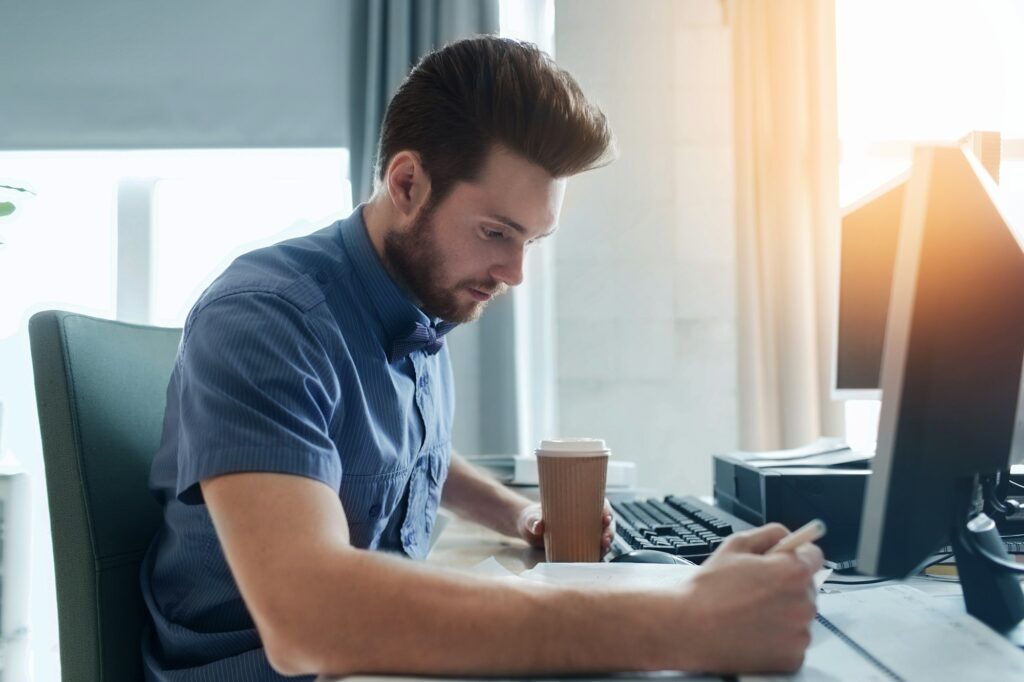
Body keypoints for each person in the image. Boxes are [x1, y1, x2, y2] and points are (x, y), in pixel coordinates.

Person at [141, 36, 823, 681]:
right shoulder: (268, 319)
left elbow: (399, 458)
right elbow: (305, 619)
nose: (514, 271)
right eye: (496, 231)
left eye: (532, 239)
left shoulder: (412, 303)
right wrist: (681, 618)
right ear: (406, 183)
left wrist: (519, 515)